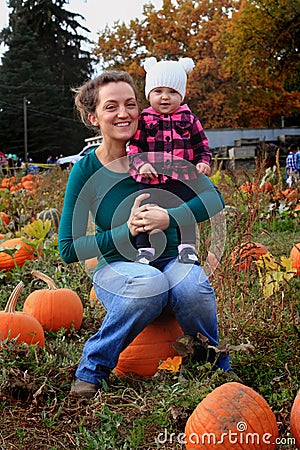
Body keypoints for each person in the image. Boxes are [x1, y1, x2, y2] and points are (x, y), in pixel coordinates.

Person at [58, 70, 233, 399]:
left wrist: (171, 217)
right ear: (93, 117)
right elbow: (68, 248)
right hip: (118, 270)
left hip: (171, 260)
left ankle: (213, 361)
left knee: (192, 284)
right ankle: (92, 368)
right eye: (111, 107)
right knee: (149, 284)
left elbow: (214, 199)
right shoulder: (85, 171)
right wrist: (127, 230)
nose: (123, 113)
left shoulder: (163, 156)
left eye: (130, 104)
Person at [127, 57, 212, 265]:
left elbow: (202, 145)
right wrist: (142, 164)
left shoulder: (189, 119)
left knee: (185, 210)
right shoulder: (144, 120)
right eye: (158, 92)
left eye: (172, 92)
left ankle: (188, 247)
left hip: (181, 179)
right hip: (150, 179)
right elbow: (135, 147)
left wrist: (203, 162)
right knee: (144, 211)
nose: (165, 97)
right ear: (149, 94)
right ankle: (144, 249)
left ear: (181, 95)